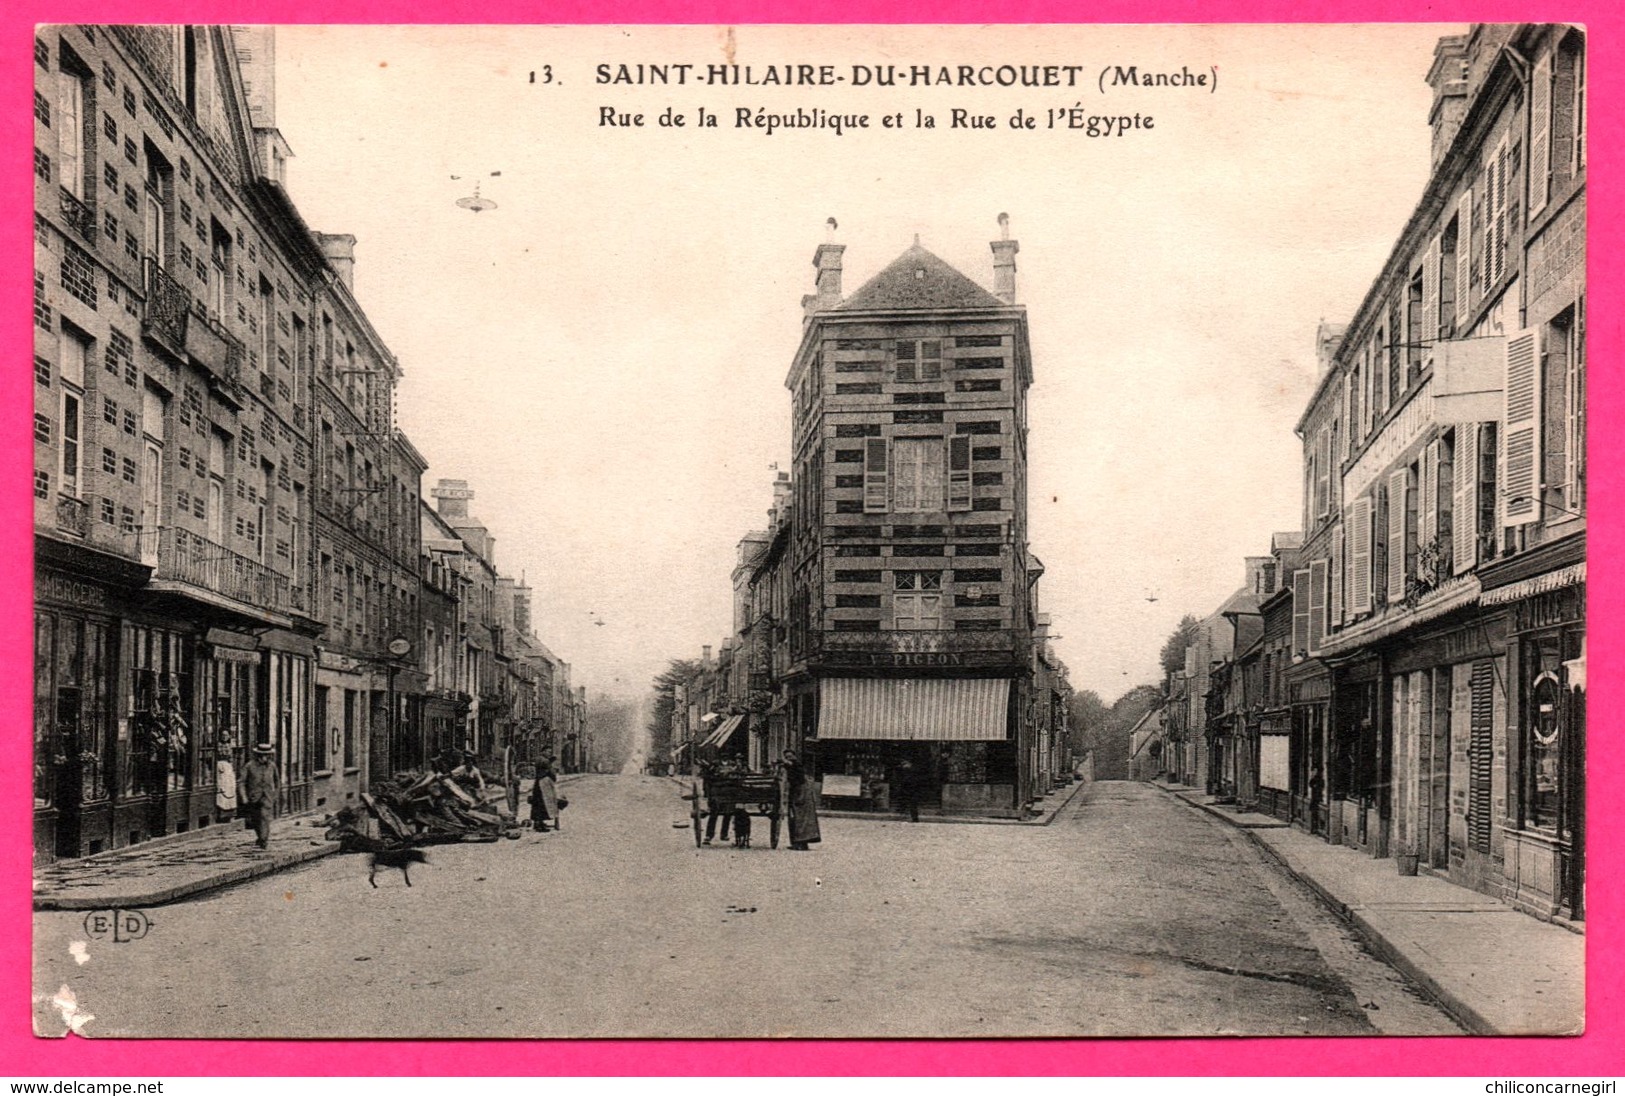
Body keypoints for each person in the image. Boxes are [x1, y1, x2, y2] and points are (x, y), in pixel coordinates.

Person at [239, 744, 278, 850]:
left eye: (268, 755)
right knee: (256, 819)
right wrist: (244, 797)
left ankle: (263, 840)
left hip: (267, 797)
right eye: (264, 755)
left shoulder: (272, 766)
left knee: (265, 817)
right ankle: (260, 837)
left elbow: (277, 782)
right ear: (258, 755)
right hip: (253, 797)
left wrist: (275, 795)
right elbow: (241, 782)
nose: (266, 757)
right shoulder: (249, 766)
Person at [781, 749, 820, 851]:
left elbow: (797, 776)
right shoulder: (792, 766)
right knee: (796, 818)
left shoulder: (797, 766)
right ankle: (797, 842)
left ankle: (801, 843)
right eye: (787, 757)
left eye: (790, 756)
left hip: (802, 795)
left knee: (802, 819)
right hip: (797, 794)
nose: (789, 758)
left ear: (794, 756)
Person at [702, 758, 735, 846]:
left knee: (728, 813)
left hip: (729, 791)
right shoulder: (713, 765)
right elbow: (708, 779)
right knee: (713, 814)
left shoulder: (734, 764)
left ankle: (724, 834)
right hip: (716, 792)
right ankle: (709, 835)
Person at [530, 756, 561, 832]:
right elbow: (552, 775)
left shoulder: (542, 763)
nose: (548, 753)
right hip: (542, 786)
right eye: (547, 751)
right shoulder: (544, 765)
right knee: (541, 805)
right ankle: (538, 825)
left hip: (542, 785)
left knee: (541, 805)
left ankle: (539, 823)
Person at [894, 757, 922, 823]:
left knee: (912, 804)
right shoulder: (909, 771)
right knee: (911, 804)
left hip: (911, 790)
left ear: (909, 763)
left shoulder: (910, 771)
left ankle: (913, 818)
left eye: (904, 764)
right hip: (910, 790)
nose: (903, 766)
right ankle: (912, 817)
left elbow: (906, 781)